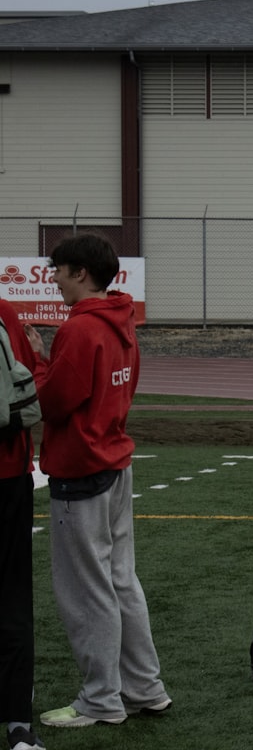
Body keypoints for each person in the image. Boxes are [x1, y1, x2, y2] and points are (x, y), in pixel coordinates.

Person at [24, 234, 171, 729]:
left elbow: (52, 401)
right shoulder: (121, 320)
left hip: (83, 467)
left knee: (86, 591)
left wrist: (36, 361)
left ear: (80, 273)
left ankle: (100, 699)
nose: (55, 280)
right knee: (120, 581)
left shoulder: (80, 329)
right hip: (114, 461)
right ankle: (144, 688)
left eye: (59, 271)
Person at [0, 300, 45, 750]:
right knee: (12, 596)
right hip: (8, 471)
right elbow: (26, 385)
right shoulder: (6, 313)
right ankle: (17, 721)